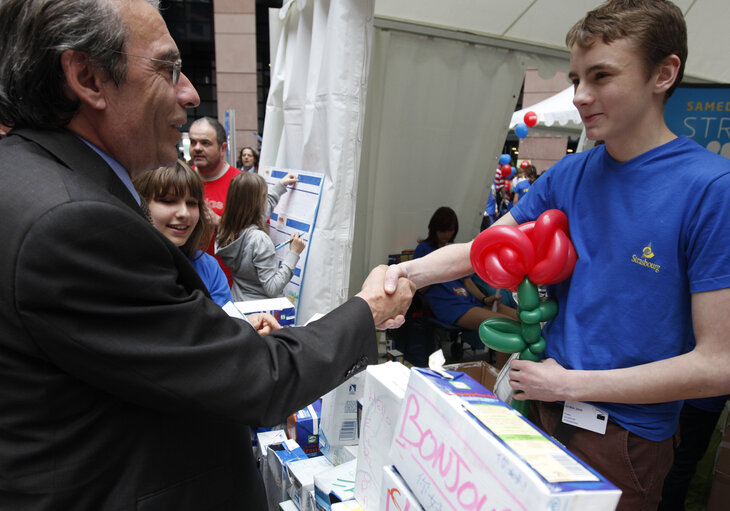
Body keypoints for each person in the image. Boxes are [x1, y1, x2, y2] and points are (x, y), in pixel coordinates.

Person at [0, 0, 414, 508]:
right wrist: (366, 311)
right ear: (87, 77)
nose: (191, 94)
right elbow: (258, 382)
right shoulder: (71, 222)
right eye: (168, 69)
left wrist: (225, 340)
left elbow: (140, 349)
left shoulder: (32, 180)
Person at [384, 1, 730, 509]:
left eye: (601, 76)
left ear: (664, 73)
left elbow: (717, 363)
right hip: (547, 408)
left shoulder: (709, 189)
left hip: (624, 437)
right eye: (575, 79)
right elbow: (481, 251)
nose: (581, 97)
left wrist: (569, 381)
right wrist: (400, 277)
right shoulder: (570, 174)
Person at [134, 159, 233, 308]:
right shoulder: (121, 267)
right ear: (141, 204)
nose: (184, 213)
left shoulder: (208, 267)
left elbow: (226, 325)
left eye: (192, 203)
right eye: (168, 201)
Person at [216, 172, 305, 301]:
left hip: (239, 301)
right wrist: (294, 253)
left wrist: (280, 186)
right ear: (257, 203)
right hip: (261, 312)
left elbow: (259, 213)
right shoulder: (259, 240)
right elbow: (273, 288)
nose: (266, 200)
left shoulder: (226, 228)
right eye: (264, 196)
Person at [189, 116, 241, 282]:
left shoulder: (240, 183)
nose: (197, 148)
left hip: (228, 282)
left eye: (205, 143)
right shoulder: (182, 179)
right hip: (188, 277)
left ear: (222, 148)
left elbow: (261, 233)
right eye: (193, 142)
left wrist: (219, 221)